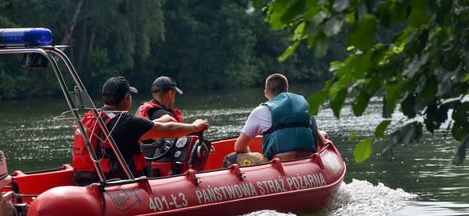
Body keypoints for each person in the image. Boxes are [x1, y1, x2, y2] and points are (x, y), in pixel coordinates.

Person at [71, 76, 209, 185]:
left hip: (88, 179)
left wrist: (159, 121)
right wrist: (195, 126)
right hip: (116, 183)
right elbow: (167, 130)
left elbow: (137, 131)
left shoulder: (93, 118)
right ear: (126, 98)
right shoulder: (125, 121)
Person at [225, 73, 327, 167]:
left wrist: (248, 153)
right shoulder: (305, 105)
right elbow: (321, 141)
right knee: (324, 134)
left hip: (280, 162)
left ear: (266, 93)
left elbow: (239, 147)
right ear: (287, 90)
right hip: (307, 158)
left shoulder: (261, 111)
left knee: (231, 158)